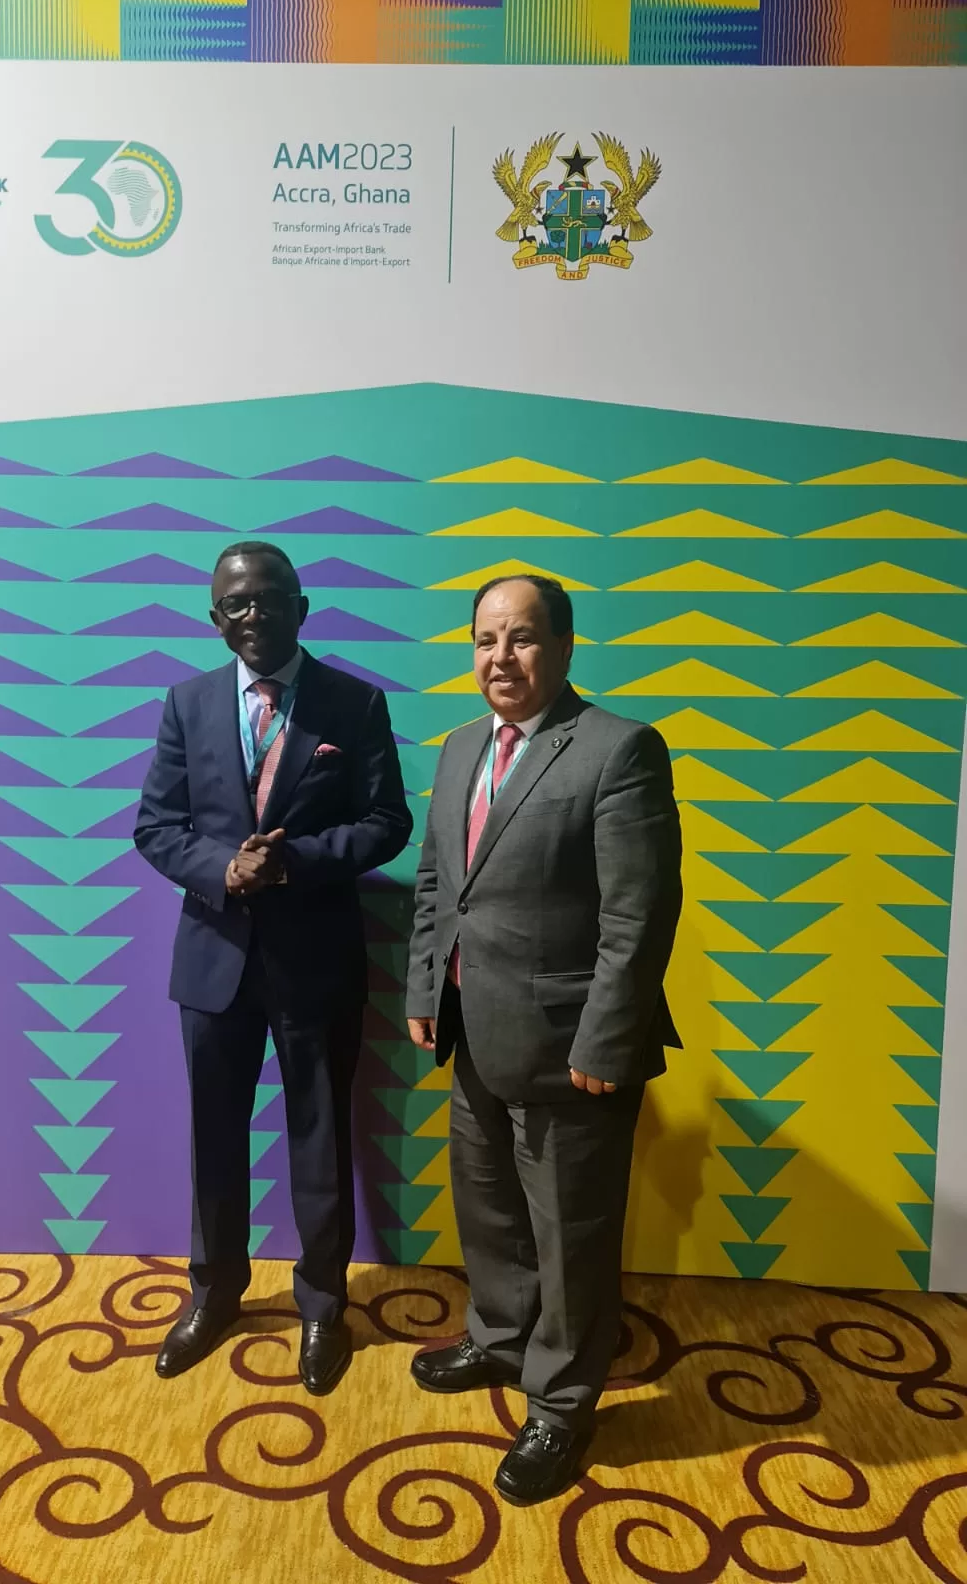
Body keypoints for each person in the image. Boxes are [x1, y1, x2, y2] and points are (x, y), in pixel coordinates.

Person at [405, 575, 682, 1505]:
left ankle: (561, 1403)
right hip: (474, 1033)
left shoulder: (619, 749)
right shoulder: (459, 748)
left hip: (571, 1049)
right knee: (487, 1205)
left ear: (563, 646)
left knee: (571, 1234)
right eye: (486, 640)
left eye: (522, 638)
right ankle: (499, 1336)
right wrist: (425, 987)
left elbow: (638, 916)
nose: (501, 658)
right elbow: (438, 883)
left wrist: (607, 1041)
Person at [135, 541, 412, 1395]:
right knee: (214, 1139)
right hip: (213, 961)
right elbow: (156, 826)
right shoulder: (186, 704)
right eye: (236, 604)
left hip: (316, 962)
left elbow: (387, 821)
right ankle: (214, 1293)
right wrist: (225, 869)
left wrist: (293, 864)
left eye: (268, 598)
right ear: (215, 620)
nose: (253, 615)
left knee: (320, 1139)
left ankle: (322, 1306)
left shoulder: (354, 703)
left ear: (302, 606)